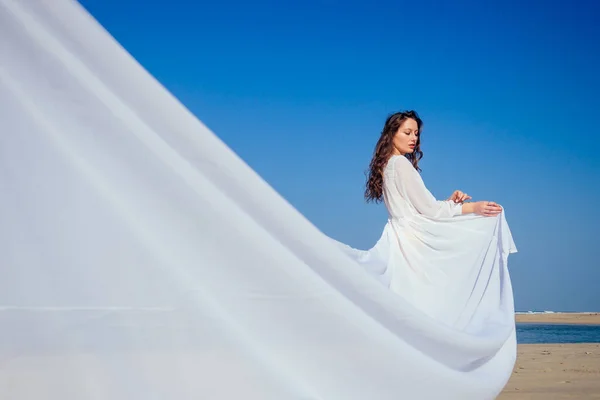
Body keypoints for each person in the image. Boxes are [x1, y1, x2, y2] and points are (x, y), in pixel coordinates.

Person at [335, 110, 517, 327]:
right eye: (407, 132)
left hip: (400, 238)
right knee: (432, 303)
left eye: (416, 134)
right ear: (391, 134)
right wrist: (473, 208)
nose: (414, 138)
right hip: (414, 243)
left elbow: (420, 207)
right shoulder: (401, 164)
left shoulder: (387, 165)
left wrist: (450, 202)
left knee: (409, 304)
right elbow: (430, 210)